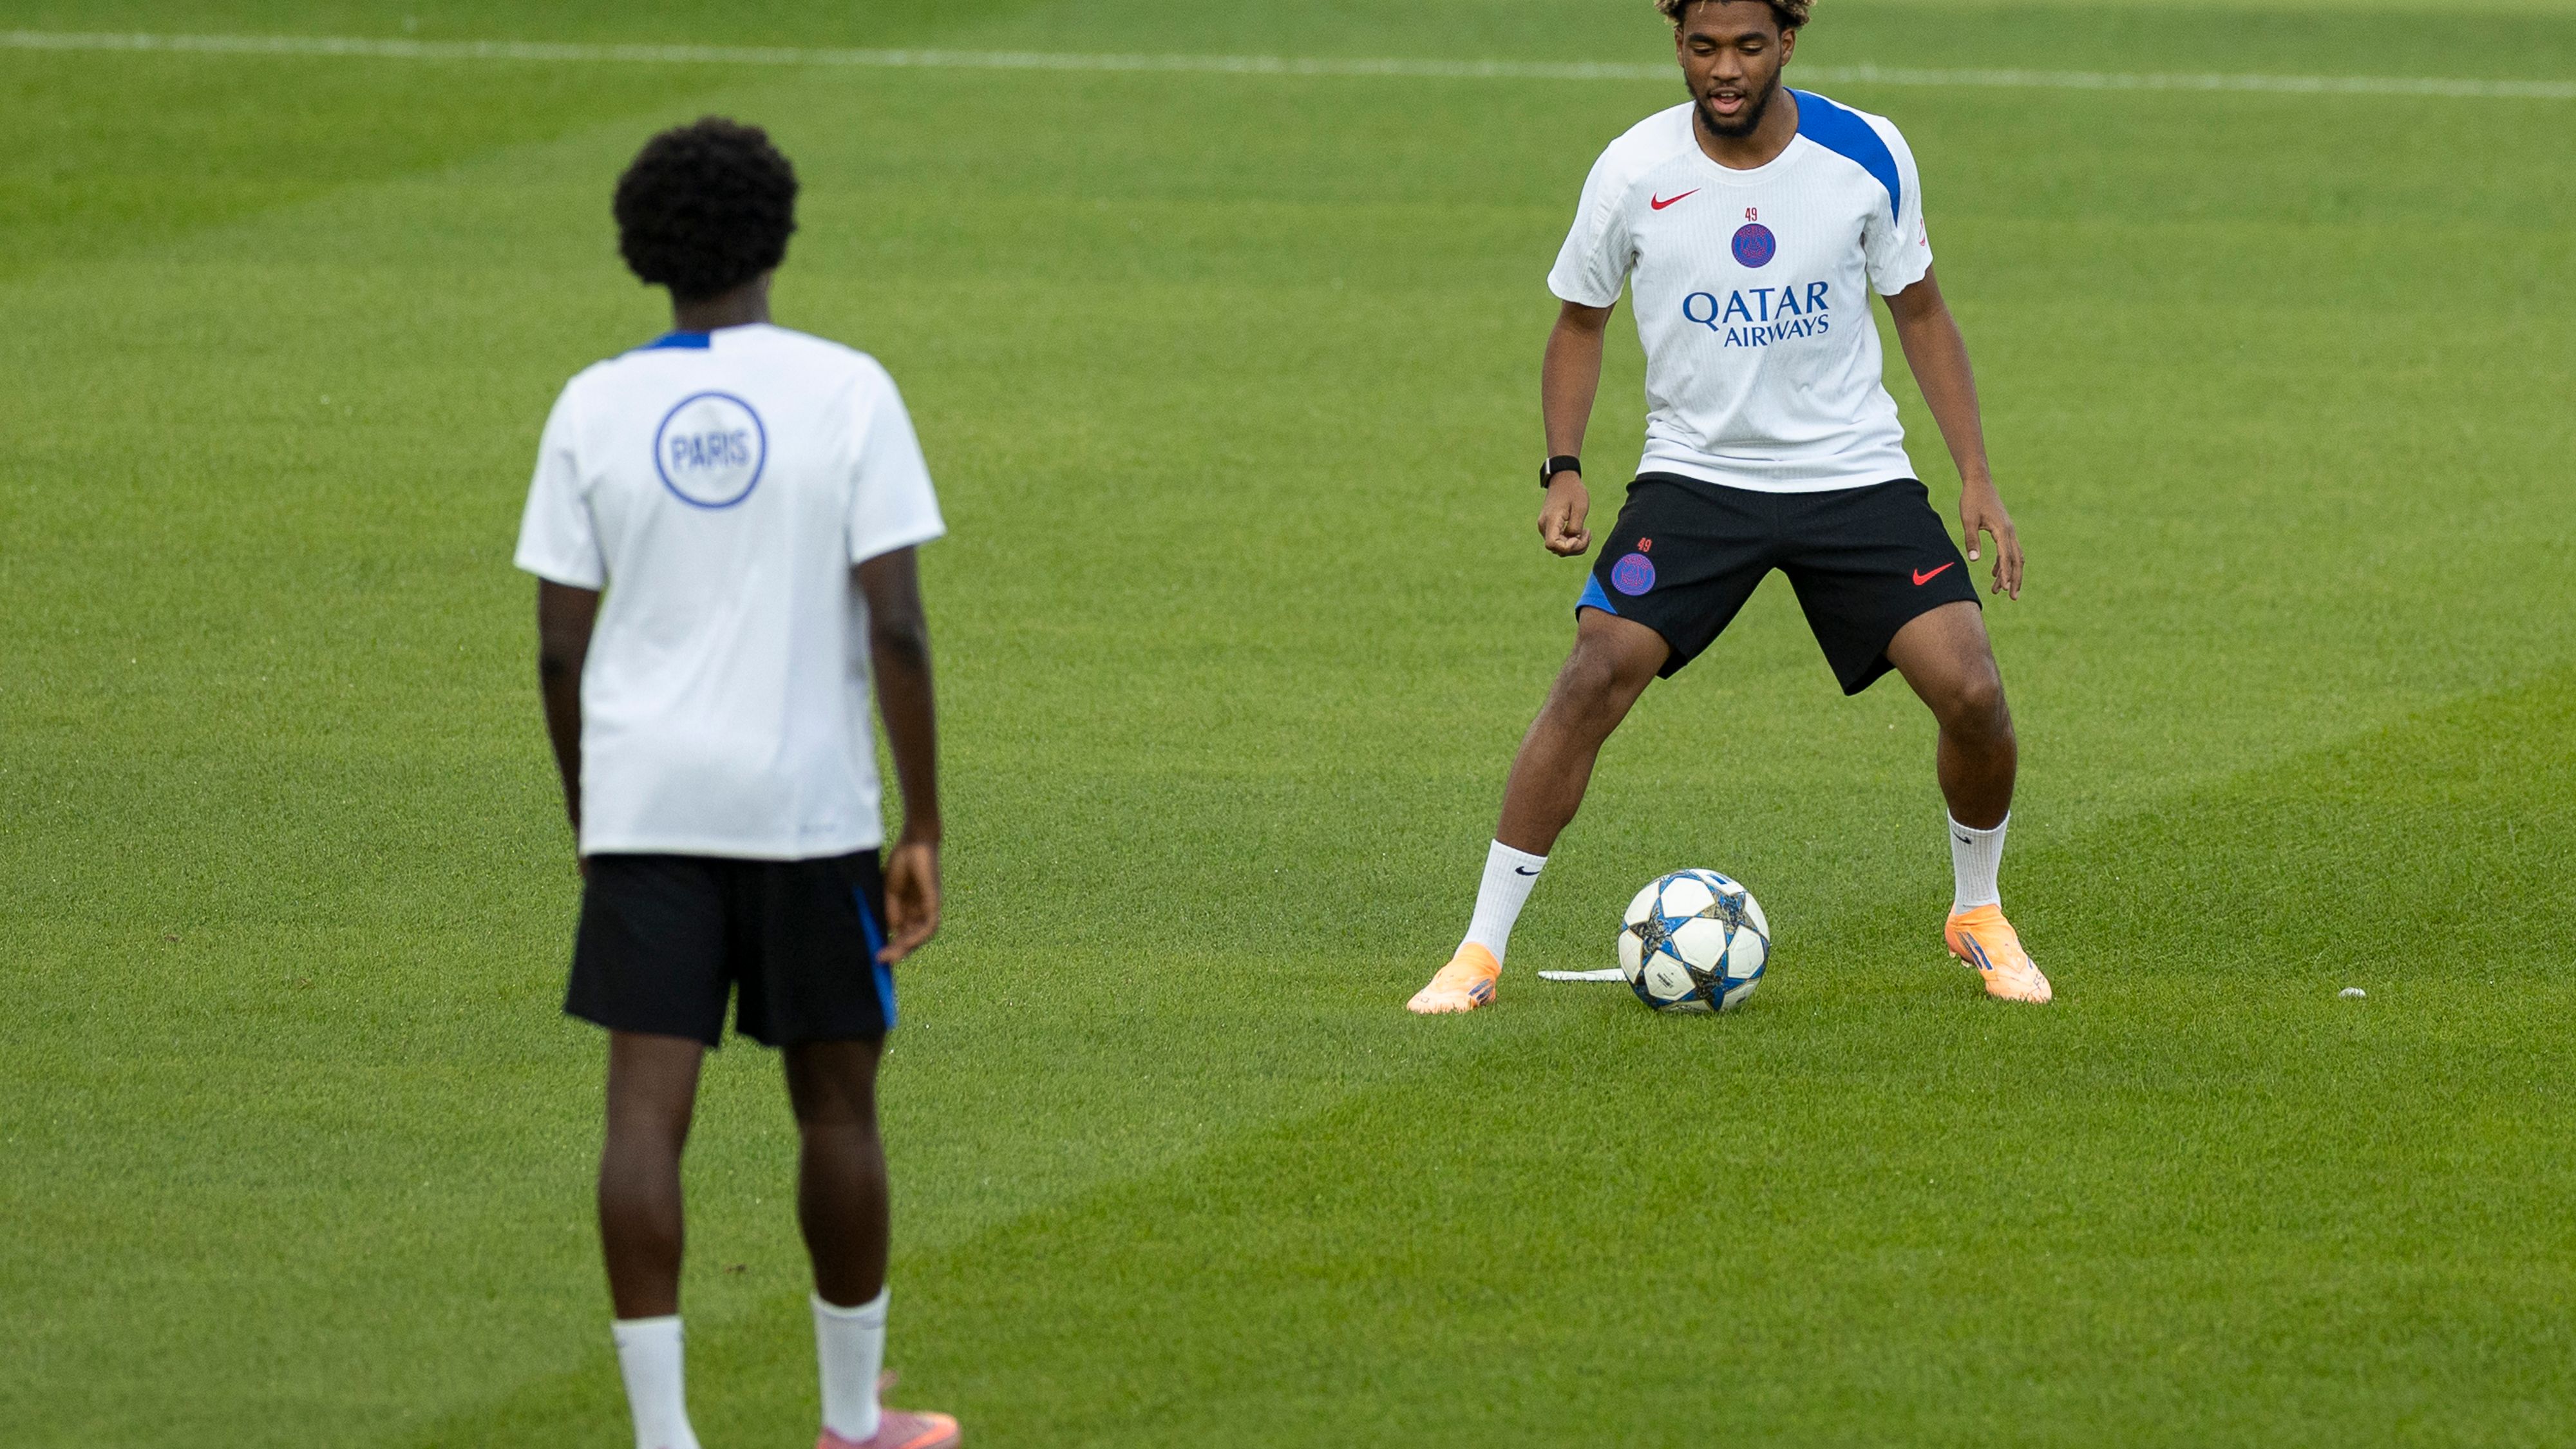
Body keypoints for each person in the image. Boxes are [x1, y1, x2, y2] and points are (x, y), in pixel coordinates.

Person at [1406, 0, 2050, 1015]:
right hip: (1697, 478)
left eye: (1748, 46)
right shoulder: (1632, 171)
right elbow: (1580, 322)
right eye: (1704, 47)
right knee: (1592, 673)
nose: (1725, 69)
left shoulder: (1866, 153)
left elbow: (1920, 310)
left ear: (1788, 41)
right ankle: (1478, 953)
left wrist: (1975, 473)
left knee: (1971, 690)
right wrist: (1563, 466)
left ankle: (1977, 910)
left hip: (1852, 474)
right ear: (1678, 44)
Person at [515, 117, 961, 1449]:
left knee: (644, 1117)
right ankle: (846, 1422)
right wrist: (922, 819)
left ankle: (663, 1438)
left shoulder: (592, 403)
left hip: (647, 809)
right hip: (805, 808)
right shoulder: (846, 391)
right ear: (775, 233)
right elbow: (895, 626)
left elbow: (555, 645)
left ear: (641, 250)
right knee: (835, 1105)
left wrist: (593, 814)